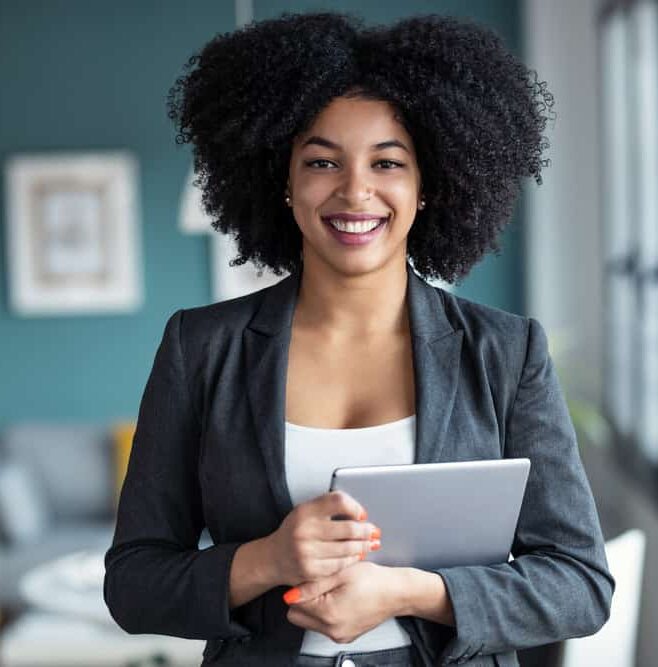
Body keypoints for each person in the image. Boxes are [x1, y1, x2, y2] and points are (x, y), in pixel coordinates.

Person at [103, 11, 615, 667]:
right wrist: (266, 559)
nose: (354, 190)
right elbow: (133, 583)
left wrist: (410, 590)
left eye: (387, 162)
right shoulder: (200, 347)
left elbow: (579, 584)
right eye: (321, 160)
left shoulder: (504, 352)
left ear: (427, 185)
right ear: (282, 181)